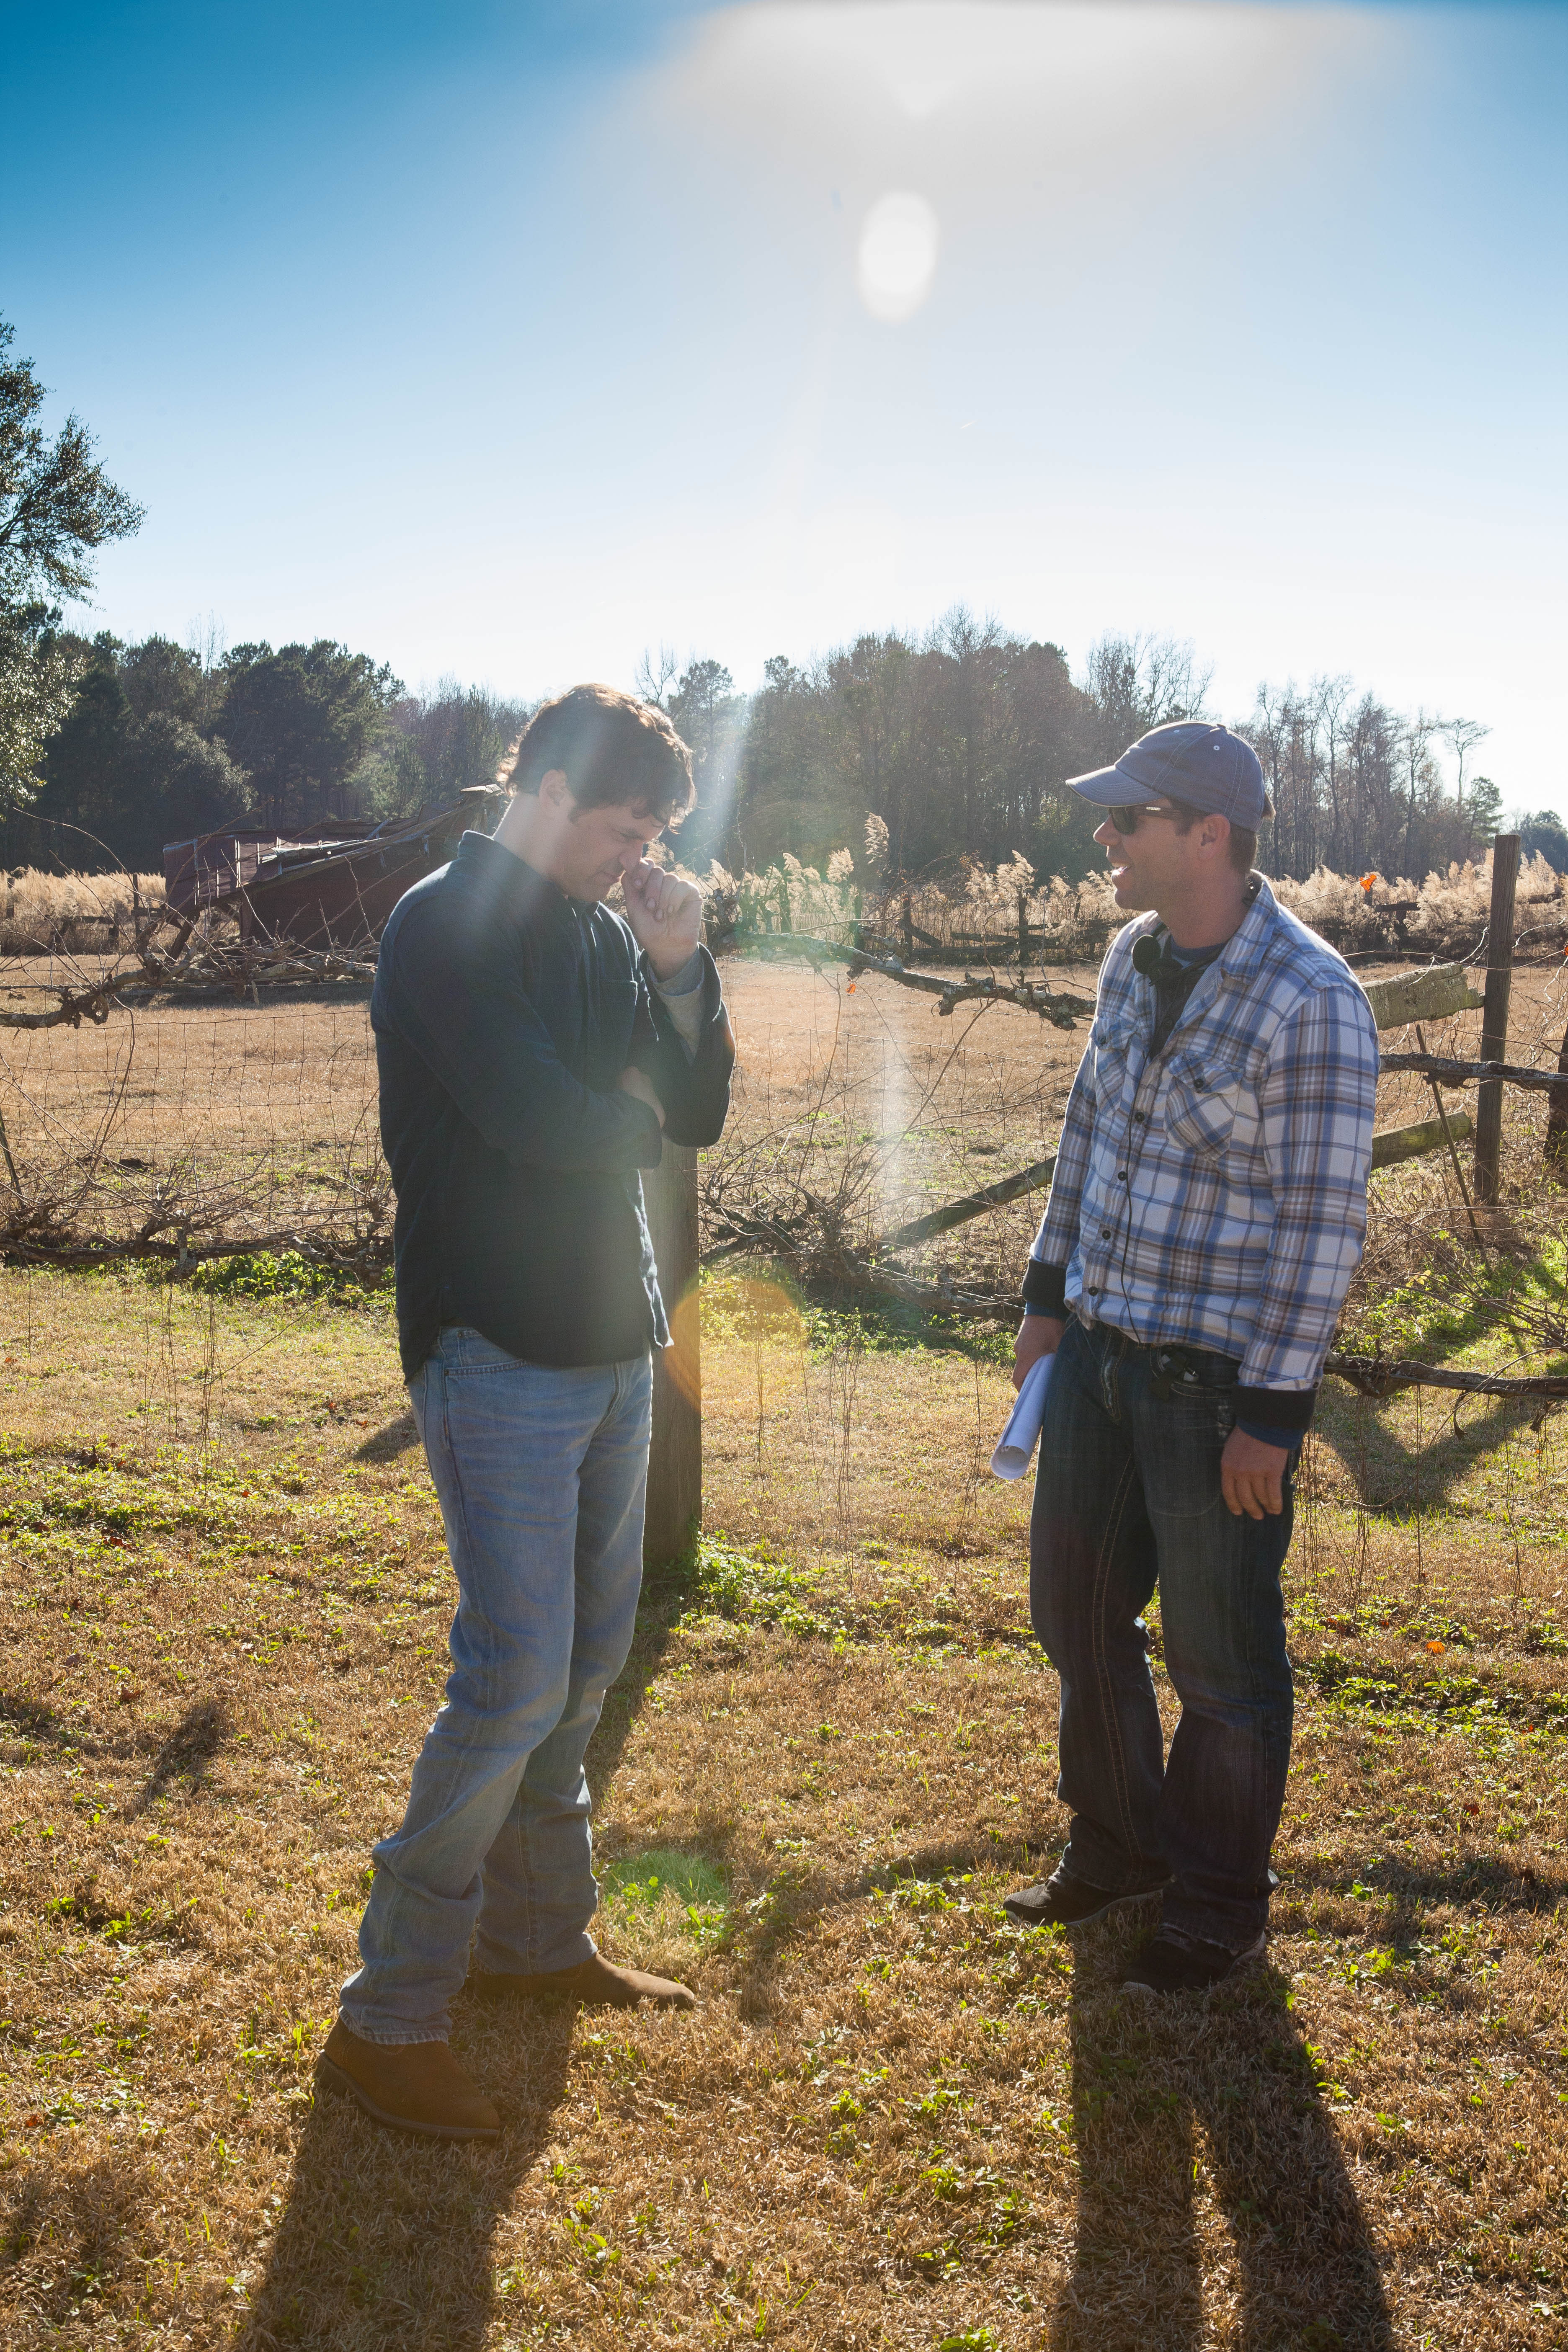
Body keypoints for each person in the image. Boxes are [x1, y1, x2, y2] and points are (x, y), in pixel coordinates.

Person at [316, 683, 735, 2140]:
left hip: (616, 1344)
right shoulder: (444, 926)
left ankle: (539, 1946)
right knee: (510, 1678)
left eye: (650, 841)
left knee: (588, 1661)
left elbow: (695, 1114)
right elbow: (539, 1118)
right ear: (550, 789)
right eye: (625, 829)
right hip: (493, 1346)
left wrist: (681, 975)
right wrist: (620, 1106)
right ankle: (389, 2018)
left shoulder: (612, 931)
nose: (638, 860)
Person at [1003, 720, 1377, 1994]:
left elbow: (1327, 1224)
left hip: (1214, 1388)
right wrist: (1048, 1297)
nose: (1104, 838)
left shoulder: (1313, 998)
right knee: (1076, 1614)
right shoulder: (1129, 957)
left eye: (1129, 819)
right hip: (1101, 1358)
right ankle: (1119, 1846)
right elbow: (1087, 1133)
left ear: (1206, 834)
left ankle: (1220, 1897)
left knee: (1220, 1661)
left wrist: (1273, 1412)